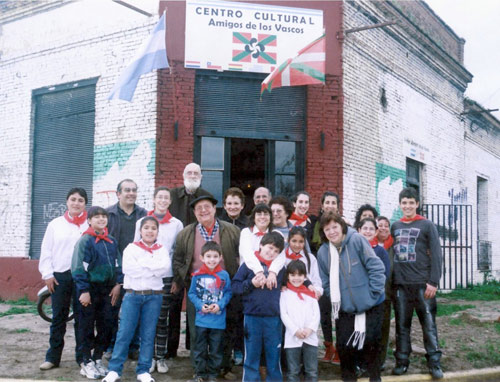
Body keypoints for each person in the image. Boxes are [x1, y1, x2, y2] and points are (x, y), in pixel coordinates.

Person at [172, 195, 240, 379]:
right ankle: (199, 370)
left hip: (224, 289)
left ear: (215, 209)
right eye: (199, 208)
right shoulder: (186, 233)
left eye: (207, 207)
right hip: (198, 291)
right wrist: (186, 280)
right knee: (197, 333)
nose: (203, 210)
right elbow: (177, 259)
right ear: (194, 213)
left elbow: (240, 256)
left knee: (224, 330)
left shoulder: (232, 230)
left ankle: (223, 367)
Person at [317, 212, 386, 382]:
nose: (332, 231)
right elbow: (325, 281)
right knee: (344, 347)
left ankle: (374, 377)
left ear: (342, 227)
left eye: (335, 227)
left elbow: (375, 267)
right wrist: (337, 299)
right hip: (345, 307)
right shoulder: (323, 252)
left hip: (371, 303)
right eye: (327, 229)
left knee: (372, 343)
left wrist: (373, 293)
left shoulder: (357, 240)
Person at [102, 217, 171, 382]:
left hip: (154, 296)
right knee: (125, 332)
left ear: (157, 232)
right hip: (133, 295)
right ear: (140, 231)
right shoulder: (131, 248)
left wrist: (143, 265)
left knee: (148, 334)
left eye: (153, 228)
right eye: (146, 228)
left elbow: (164, 269)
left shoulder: (162, 249)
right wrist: (152, 267)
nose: (149, 231)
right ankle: (114, 370)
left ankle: (143, 371)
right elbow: (129, 269)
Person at [391, 187, 443, 379]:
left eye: (411, 202)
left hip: (423, 284)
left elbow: (437, 255)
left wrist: (433, 281)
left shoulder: (427, 225)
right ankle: (402, 361)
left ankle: (434, 362)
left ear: (417, 204)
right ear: (400, 205)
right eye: (404, 202)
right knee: (402, 326)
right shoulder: (395, 226)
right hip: (401, 285)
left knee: (428, 324)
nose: (407, 206)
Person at [39, 187, 89, 371]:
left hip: (82, 278)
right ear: (67, 202)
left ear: (85, 204)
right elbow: (46, 251)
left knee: (83, 318)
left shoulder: (90, 225)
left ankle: (83, 358)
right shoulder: (55, 224)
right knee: (58, 317)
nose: (76, 203)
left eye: (80, 200)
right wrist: (48, 274)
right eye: (73, 199)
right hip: (60, 277)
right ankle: (53, 357)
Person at [134, 186, 183, 373]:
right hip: (146, 276)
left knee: (162, 318)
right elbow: (135, 247)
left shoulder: (176, 224)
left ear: (170, 201)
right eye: (159, 197)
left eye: (166, 198)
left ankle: (160, 357)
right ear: (153, 200)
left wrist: (177, 279)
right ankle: (147, 358)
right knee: (147, 318)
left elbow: (178, 253)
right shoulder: (142, 221)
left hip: (166, 277)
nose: (162, 200)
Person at [71, 206, 123, 379]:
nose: (101, 219)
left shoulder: (111, 241)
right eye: (97, 217)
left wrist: (118, 283)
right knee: (86, 326)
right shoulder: (86, 240)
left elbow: (117, 265)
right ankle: (86, 361)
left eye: (104, 217)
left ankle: (97, 357)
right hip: (90, 289)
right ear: (89, 220)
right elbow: (79, 267)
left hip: (108, 291)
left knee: (106, 324)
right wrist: (84, 290)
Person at [169, 163, 213, 356]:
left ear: (201, 176)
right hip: (178, 259)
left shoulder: (206, 196)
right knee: (173, 305)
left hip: (199, 260)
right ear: (183, 175)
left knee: (196, 306)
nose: (193, 175)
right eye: (189, 172)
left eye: (196, 173)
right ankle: (170, 349)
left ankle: (192, 347)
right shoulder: (172, 196)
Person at [231, 232, 286, 382]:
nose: (271, 253)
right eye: (269, 248)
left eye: (276, 251)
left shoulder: (280, 269)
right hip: (252, 317)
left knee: (273, 354)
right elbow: (235, 287)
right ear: (261, 245)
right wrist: (251, 284)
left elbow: (292, 282)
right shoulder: (249, 265)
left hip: (273, 318)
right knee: (252, 354)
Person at [106, 179, 147, 360]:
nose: (131, 193)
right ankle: (110, 345)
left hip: (138, 271)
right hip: (114, 269)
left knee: (136, 310)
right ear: (118, 194)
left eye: (134, 190)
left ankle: (134, 347)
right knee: (112, 310)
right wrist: (116, 278)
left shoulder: (144, 214)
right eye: (127, 190)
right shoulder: (108, 214)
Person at [188, 241, 232, 382]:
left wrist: (219, 305)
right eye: (208, 256)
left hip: (218, 321)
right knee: (199, 348)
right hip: (201, 320)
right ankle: (200, 374)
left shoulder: (224, 275)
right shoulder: (197, 275)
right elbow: (192, 294)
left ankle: (213, 375)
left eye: (215, 256)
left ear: (220, 258)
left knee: (215, 349)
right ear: (202, 258)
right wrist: (200, 305)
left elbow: (228, 293)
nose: (212, 260)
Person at [309, 191, 341, 364]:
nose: (330, 205)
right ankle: (329, 347)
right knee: (324, 313)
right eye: (327, 202)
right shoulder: (314, 224)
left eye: (333, 202)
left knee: (340, 315)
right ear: (322, 205)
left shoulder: (343, 225)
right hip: (320, 276)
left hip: (340, 277)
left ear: (338, 206)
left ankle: (340, 348)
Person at [356, 217, 391, 376]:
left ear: (376, 232)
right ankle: (359, 364)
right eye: (365, 228)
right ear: (359, 231)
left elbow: (384, 274)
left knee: (372, 334)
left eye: (371, 229)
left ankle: (372, 366)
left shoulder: (381, 251)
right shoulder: (353, 249)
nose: (368, 232)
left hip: (375, 301)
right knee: (359, 333)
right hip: (357, 301)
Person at [280, 260, 321, 382]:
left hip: (310, 336)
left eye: (300, 275)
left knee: (312, 371)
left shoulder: (311, 293)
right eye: (293, 275)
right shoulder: (285, 293)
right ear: (288, 276)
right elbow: (284, 314)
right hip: (292, 337)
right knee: (293, 372)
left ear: (305, 276)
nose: (296, 278)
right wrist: (295, 330)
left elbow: (316, 314)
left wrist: (310, 329)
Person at [239, 203, 285, 289]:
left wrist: (273, 272)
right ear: (254, 217)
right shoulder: (246, 232)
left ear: (270, 217)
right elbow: (247, 253)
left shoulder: (277, 234)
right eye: (259, 214)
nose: (262, 217)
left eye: (266, 214)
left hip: (270, 278)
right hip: (248, 275)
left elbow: (281, 256)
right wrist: (259, 272)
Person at [285, 226, 323, 298]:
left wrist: (317, 291)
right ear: (288, 240)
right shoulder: (283, 258)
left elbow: (316, 279)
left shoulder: (310, 258)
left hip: (308, 296)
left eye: (301, 241)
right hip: (288, 295)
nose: (297, 245)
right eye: (294, 241)